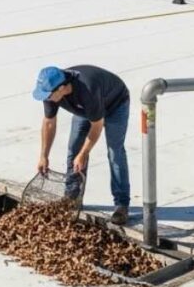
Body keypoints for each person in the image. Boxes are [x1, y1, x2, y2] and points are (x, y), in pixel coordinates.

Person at [34, 65, 131, 225]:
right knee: (74, 149)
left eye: (49, 95)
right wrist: (43, 156)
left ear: (63, 88)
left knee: (115, 153)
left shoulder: (88, 90)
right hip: (85, 109)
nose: (47, 98)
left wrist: (84, 153)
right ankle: (72, 198)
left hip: (115, 104)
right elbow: (49, 123)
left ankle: (121, 205)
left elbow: (97, 126)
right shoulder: (51, 93)